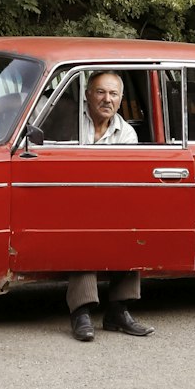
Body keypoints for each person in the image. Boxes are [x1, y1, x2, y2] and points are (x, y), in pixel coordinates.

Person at [67, 70, 154, 342]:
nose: (107, 99)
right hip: (72, 198)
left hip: (110, 201)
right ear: (87, 95)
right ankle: (81, 311)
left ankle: (118, 310)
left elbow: (125, 179)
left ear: (120, 99)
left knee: (131, 224)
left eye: (113, 94)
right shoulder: (70, 123)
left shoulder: (126, 133)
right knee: (84, 223)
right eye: (101, 92)